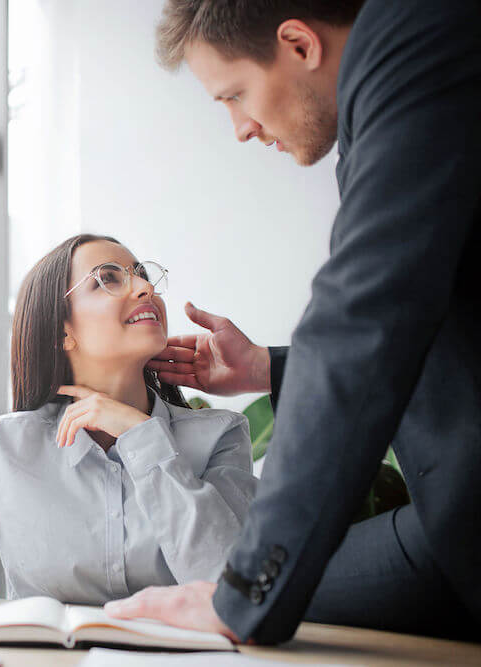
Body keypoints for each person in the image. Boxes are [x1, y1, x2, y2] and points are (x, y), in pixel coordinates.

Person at [104, 0, 481, 644]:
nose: (241, 128)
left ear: (299, 45)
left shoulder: (419, 40)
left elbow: (363, 320)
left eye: (235, 95)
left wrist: (242, 600)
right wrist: (266, 367)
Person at [0, 234, 258, 610]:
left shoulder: (219, 436)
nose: (145, 288)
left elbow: (232, 588)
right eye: (107, 279)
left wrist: (142, 437)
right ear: (63, 331)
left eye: (143, 276)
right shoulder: (10, 448)